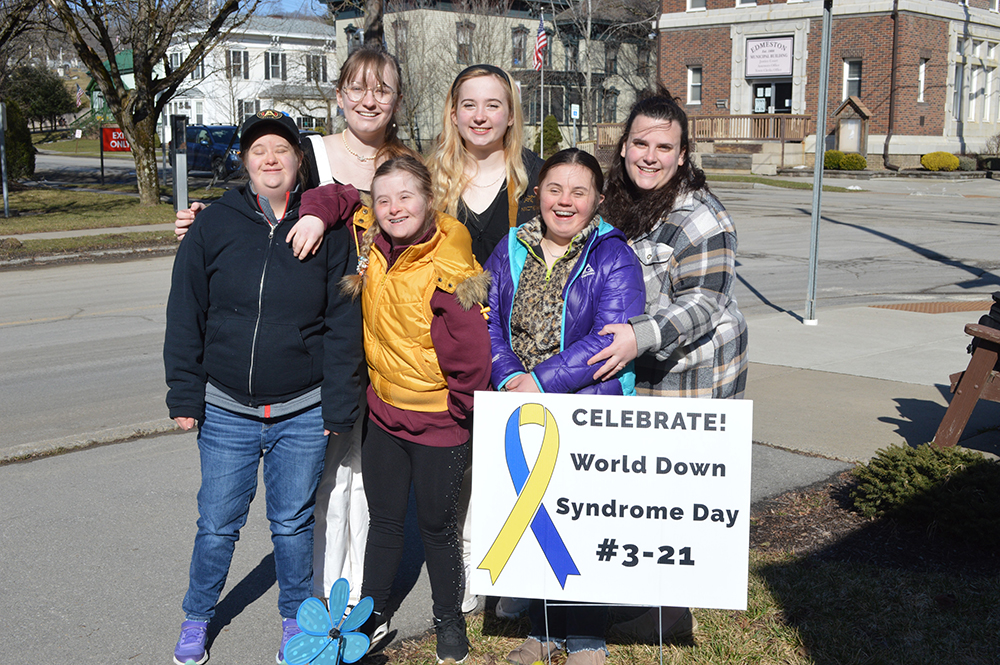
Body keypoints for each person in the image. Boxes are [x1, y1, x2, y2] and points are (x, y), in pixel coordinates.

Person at [173, 45, 408, 609]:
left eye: (382, 89)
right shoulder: (315, 153)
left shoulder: (407, 161)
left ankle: (354, 597)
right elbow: (267, 210)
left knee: (361, 476)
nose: (369, 99)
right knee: (316, 487)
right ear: (339, 96)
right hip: (323, 338)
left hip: (389, 328)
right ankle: (319, 598)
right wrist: (207, 217)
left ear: (397, 101)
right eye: (358, 87)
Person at [163, 110, 362, 665]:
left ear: (300, 160)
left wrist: (338, 403)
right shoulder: (213, 224)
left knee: (292, 525)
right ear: (245, 161)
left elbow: (343, 325)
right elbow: (186, 311)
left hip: (302, 409)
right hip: (226, 407)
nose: (270, 158)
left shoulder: (327, 230)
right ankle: (197, 617)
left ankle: (296, 622)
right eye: (259, 150)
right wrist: (184, 393)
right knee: (217, 524)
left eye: (282, 149)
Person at [587, 87, 749, 643]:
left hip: (692, 375)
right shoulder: (613, 201)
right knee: (629, 490)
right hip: (632, 370)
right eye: (639, 143)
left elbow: (704, 304)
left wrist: (640, 335)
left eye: (663, 147)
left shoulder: (702, 218)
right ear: (624, 146)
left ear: (683, 156)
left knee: (677, 497)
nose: (649, 156)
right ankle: (624, 599)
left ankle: (670, 613)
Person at [484, 148, 646, 665]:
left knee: (583, 519)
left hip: (590, 404)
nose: (565, 201)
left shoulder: (612, 255)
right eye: (555, 188)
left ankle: (587, 636)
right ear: (538, 192)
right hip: (522, 404)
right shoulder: (511, 246)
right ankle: (543, 626)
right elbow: (487, 319)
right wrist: (510, 376)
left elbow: (608, 339)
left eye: (579, 191)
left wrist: (538, 380)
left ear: (598, 199)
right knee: (537, 517)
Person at [330, 155, 492, 664]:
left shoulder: (448, 262)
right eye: (383, 199)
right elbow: (333, 197)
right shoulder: (371, 243)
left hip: (439, 423)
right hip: (384, 415)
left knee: (437, 528)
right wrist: (318, 208)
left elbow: (471, 358)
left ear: (429, 198)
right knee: (385, 522)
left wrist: (461, 416)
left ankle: (448, 619)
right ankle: (372, 616)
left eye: (406, 196)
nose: (394, 208)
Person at [428, 62, 543, 617]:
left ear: (510, 114)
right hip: (443, 350)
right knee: (456, 469)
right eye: (469, 104)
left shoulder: (536, 180)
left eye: (493, 104)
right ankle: (469, 568)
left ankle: (512, 571)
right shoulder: (428, 178)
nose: (480, 115)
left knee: (512, 463)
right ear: (453, 113)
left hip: (518, 348)